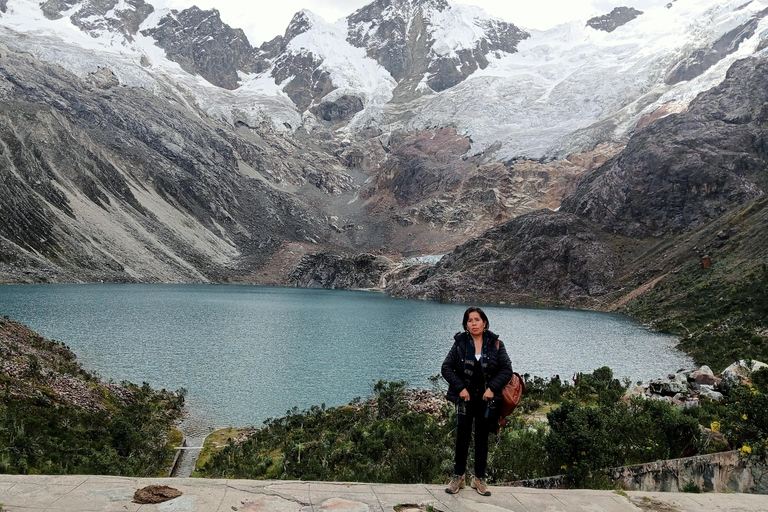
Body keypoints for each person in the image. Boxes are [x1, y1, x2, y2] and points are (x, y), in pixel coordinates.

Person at [441, 306, 513, 496]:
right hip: (465, 398)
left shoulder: (496, 343)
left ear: (484, 322)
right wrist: (461, 388)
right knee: (462, 438)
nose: (474, 323)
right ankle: (459, 477)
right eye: (470, 320)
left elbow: (506, 370)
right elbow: (446, 368)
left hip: (487, 399)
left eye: (477, 319)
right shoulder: (460, 343)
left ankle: (479, 479)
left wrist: (492, 389)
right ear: (466, 324)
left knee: (482, 438)